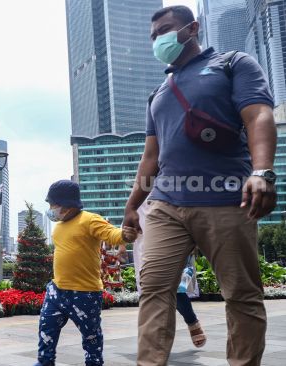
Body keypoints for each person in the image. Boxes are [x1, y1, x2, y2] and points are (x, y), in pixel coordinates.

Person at [123, 5, 276, 365]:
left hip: (225, 200)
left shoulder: (233, 63)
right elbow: (150, 157)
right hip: (164, 206)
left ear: (191, 29)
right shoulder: (160, 92)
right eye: (153, 35)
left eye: (165, 29)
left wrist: (263, 172)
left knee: (241, 294)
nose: (158, 39)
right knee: (155, 290)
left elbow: (258, 115)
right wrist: (132, 206)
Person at [35, 180, 137, 366]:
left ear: (66, 205)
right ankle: (44, 361)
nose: (50, 209)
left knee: (91, 336)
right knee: (46, 328)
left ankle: (94, 362)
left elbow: (110, 233)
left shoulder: (89, 220)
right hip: (56, 290)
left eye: (52, 204)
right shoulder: (58, 228)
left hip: (85, 293)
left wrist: (124, 236)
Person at [133, 201, 206, 348]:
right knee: (154, 292)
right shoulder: (140, 192)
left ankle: (192, 321)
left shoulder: (177, 183)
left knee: (178, 289)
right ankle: (156, 334)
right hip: (147, 247)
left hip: (178, 242)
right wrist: (122, 244)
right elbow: (129, 217)